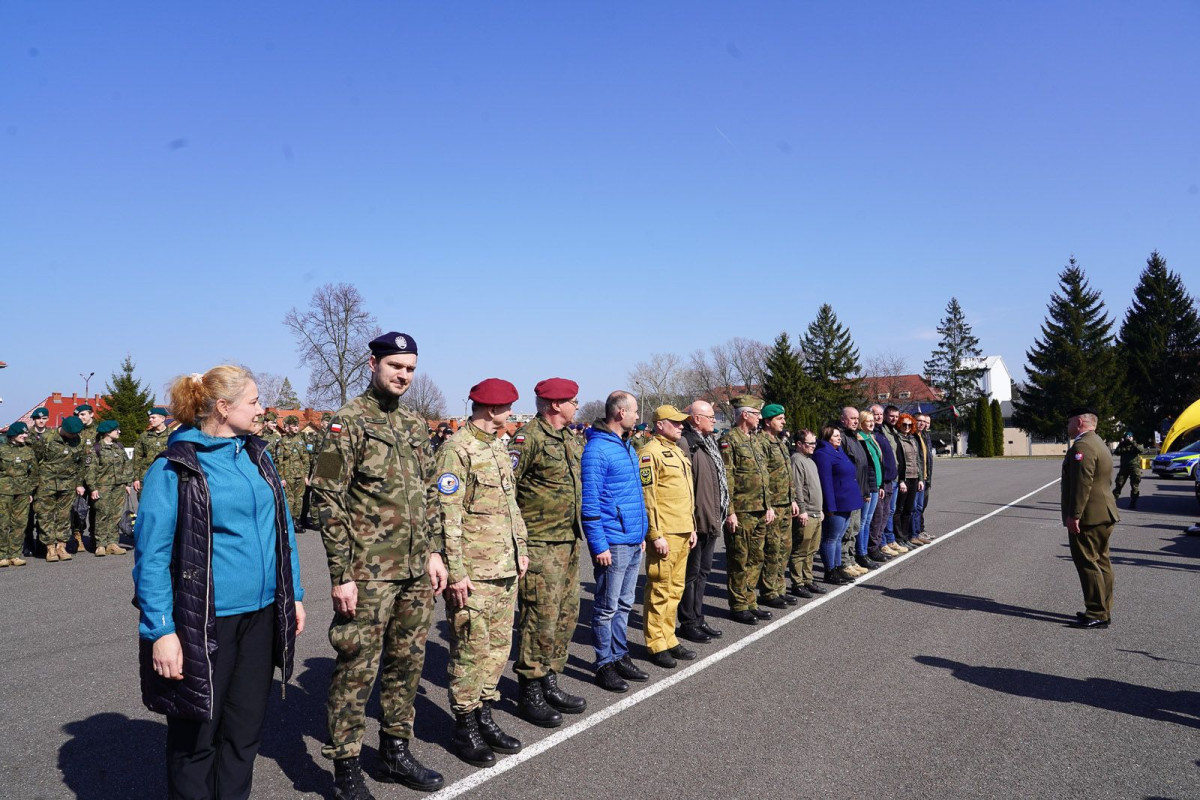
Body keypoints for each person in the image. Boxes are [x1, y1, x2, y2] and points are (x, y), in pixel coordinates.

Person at [133, 365, 305, 800]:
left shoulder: (256, 456)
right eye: (253, 401)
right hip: (202, 621)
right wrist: (161, 631)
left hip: (261, 617)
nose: (261, 408)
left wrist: (295, 596)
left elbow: (281, 530)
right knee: (196, 739)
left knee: (244, 733)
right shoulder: (175, 467)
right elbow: (151, 558)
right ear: (224, 408)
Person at [309, 332, 448, 797]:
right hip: (367, 574)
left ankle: (395, 751)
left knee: (407, 663)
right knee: (356, 667)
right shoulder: (346, 422)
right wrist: (341, 575)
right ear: (373, 364)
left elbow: (429, 495)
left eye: (410, 369)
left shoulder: (413, 424)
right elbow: (327, 499)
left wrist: (433, 551)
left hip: (413, 572)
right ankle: (345, 765)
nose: (403, 375)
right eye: (395, 366)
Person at [435, 378, 529, 768]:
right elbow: (447, 515)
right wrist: (456, 572)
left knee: (496, 650)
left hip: (504, 568)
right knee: (470, 651)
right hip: (474, 572)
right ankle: (465, 724)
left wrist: (521, 549)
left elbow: (510, 505)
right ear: (491, 409)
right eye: (507, 408)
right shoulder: (457, 450)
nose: (510, 415)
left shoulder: (496, 446)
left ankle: (485, 714)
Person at [509, 377, 587, 729]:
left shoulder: (570, 438)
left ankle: (550, 678)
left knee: (566, 614)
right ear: (555, 404)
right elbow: (507, 491)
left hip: (568, 541)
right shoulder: (528, 439)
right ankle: (530, 689)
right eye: (573, 401)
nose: (576, 407)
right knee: (539, 618)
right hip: (539, 543)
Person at [581, 391, 649, 693]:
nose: (638, 416)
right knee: (606, 607)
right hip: (613, 542)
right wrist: (599, 545)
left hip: (632, 539)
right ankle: (603, 663)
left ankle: (620, 655)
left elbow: (634, 495)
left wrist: (642, 533)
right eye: (635, 411)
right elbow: (591, 502)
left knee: (624, 604)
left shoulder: (627, 446)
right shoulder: (597, 449)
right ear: (620, 412)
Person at [639, 404, 698, 669]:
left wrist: (692, 526)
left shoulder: (677, 451)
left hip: (683, 530)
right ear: (659, 424)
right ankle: (656, 643)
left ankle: (670, 637)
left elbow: (686, 495)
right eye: (675, 422)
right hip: (665, 534)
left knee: (675, 589)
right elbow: (648, 498)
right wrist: (655, 533)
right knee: (660, 589)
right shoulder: (650, 453)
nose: (681, 426)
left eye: (682, 422)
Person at [1061, 407, 1119, 629]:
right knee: (1102, 561)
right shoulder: (1099, 442)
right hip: (1103, 513)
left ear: (1079, 422)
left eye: (1069, 423)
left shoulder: (1083, 446)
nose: (1067, 427)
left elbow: (1081, 484)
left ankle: (1096, 612)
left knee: (1087, 562)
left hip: (1089, 516)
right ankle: (1103, 608)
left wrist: (1074, 515)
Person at [720, 395, 774, 625]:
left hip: (760, 510)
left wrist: (768, 506)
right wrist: (729, 511)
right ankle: (739, 604)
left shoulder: (755, 440)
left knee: (756, 558)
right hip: (741, 511)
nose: (760, 418)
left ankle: (751, 601)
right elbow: (727, 478)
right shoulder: (729, 439)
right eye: (757, 413)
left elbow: (764, 476)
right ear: (745, 414)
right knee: (739, 560)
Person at [677, 400, 728, 642]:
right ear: (696, 418)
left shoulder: (708, 442)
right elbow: (685, 485)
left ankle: (698, 617)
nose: (715, 419)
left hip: (711, 516)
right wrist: (691, 520)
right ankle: (687, 621)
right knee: (692, 573)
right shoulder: (687, 442)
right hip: (697, 519)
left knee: (703, 572)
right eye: (710, 416)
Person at [811, 423, 864, 584]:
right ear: (827, 436)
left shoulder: (837, 451)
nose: (839, 438)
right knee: (830, 538)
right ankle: (830, 570)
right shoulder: (823, 454)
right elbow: (826, 482)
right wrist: (829, 507)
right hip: (836, 503)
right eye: (835, 436)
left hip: (847, 501)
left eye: (839, 436)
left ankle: (838, 567)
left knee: (839, 537)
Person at [757, 404, 799, 608]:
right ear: (767, 421)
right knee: (772, 549)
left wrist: (792, 499)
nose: (783, 421)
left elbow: (786, 475)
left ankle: (779, 588)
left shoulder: (780, 442)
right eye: (779, 418)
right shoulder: (761, 442)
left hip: (785, 503)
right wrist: (767, 505)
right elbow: (763, 476)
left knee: (785, 548)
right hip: (773, 504)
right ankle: (769, 591)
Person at [33, 416, 85, 562]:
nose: (74, 436)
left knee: (64, 515)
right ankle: (50, 548)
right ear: (64, 429)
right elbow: (35, 460)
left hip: (68, 484)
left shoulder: (77, 440)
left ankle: (61, 546)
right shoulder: (47, 438)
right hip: (47, 483)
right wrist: (34, 483)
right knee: (45, 515)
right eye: (71, 434)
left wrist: (79, 483)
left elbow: (80, 464)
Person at [85, 420, 134, 556]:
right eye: (116, 430)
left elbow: (127, 465)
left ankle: (112, 543)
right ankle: (100, 544)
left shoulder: (119, 447)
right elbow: (90, 471)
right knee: (102, 514)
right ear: (107, 432)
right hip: (102, 487)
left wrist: (127, 483)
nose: (119, 432)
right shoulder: (96, 449)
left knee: (116, 515)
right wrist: (93, 488)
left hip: (118, 486)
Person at [788, 430, 825, 598]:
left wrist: (820, 510)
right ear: (800, 444)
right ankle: (798, 583)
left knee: (812, 550)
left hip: (816, 512)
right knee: (800, 550)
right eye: (810, 444)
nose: (813, 447)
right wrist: (802, 510)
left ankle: (808, 579)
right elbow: (797, 488)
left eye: (814, 443)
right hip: (806, 513)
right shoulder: (797, 460)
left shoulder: (810, 461)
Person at [837, 408, 872, 577]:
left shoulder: (855, 437)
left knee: (855, 528)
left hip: (859, 491)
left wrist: (865, 491)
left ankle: (851, 559)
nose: (856, 421)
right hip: (849, 492)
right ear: (843, 419)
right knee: (848, 530)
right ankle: (844, 562)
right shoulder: (842, 438)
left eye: (857, 418)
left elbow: (862, 467)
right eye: (852, 418)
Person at [0, 423, 36, 568]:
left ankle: (14, 554)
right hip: (3, 491)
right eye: (22, 433)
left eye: (26, 433)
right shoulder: (2, 450)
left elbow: (34, 473)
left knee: (20, 524)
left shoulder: (28, 451)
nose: (25, 436)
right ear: (13, 434)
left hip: (22, 492)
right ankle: (2, 555)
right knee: (3, 523)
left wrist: (30, 491)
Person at [855, 409, 886, 571]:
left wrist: (879, 486)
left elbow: (877, 463)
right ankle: (861, 553)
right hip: (867, 486)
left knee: (868, 520)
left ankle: (864, 551)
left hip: (876, 485)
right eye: (868, 421)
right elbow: (863, 467)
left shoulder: (871, 438)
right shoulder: (860, 439)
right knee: (863, 521)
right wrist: (867, 488)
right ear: (861, 423)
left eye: (873, 420)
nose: (872, 423)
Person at [868, 406, 899, 563]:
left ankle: (879, 545)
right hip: (879, 482)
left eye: (880, 414)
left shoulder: (881, 432)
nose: (878, 417)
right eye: (876, 414)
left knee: (885, 514)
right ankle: (874, 547)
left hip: (889, 480)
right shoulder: (871, 434)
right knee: (877, 516)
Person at [893, 414, 927, 548]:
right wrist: (901, 480)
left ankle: (906, 536)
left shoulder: (912, 439)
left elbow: (918, 460)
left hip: (914, 477)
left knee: (909, 509)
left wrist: (920, 478)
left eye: (909, 425)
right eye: (904, 424)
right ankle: (899, 537)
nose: (906, 427)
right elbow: (900, 461)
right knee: (899, 509)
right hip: (905, 478)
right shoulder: (898, 439)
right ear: (899, 424)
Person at [275, 416, 309, 530]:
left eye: (297, 425)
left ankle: (296, 521)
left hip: (300, 474)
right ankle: (289, 523)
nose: (296, 428)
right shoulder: (282, 442)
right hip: (288, 474)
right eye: (294, 426)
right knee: (290, 499)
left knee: (299, 499)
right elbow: (278, 461)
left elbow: (305, 458)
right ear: (288, 427)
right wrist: (281, 477)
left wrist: (306, 475)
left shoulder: (300, 440)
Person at [133, 407, 173, 491]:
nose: (150, 420)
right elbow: (137, 457)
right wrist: (136, 478)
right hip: (147, 475)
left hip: (166, 474)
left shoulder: (173, 435)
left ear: (162, 419)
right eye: (149, 418)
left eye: (153, 417)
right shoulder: (144, 436)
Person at [913, 412, 935, 536]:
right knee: (915, 507)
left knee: (921, 506)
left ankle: (919, 529)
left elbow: (927, 459)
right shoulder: (914, 436)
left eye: (926, 422)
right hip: (918, 478)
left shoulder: (924, 436)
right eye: (921, 421)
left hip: (926, 477)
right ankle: (915, 532)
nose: (924, 424)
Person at [1112, 432, 1142, 509]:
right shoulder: (1122, 445)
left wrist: (1132, 443)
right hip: (1124, 468)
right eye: (1127, 437)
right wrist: (1122, 444)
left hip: (1134, 468)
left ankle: (1133, 502)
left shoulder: (1136, 444)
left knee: (1134, 485)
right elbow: (1116, 452)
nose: (1128, 438)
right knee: (1119, 484)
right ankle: (1112, 501)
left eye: (1130, 437)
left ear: (1132, 438)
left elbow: (1141, 450)